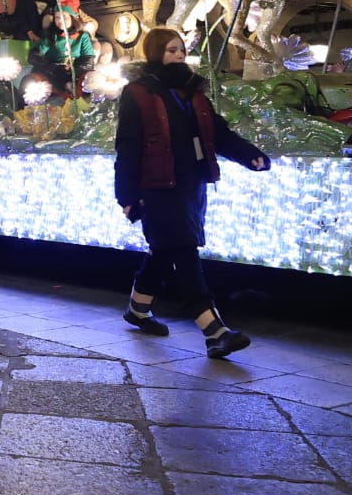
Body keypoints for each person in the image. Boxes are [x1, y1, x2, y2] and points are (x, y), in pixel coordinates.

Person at [114, 28, 270, 358]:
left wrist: (249, 155)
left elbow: (219, 132)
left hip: (191, 185)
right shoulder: (139, 93)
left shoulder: (193, 92)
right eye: (171, 50)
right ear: (156, 53)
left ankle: (138, 309)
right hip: (157, 187)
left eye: (181, 50)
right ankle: (214, 332)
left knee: (165, 249)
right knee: (183, 253)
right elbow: (127, 147)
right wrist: (127, 195)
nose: (179, 56)